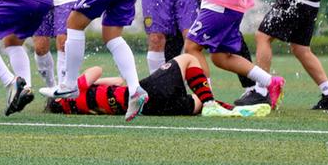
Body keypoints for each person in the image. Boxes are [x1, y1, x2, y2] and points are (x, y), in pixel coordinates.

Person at [45, 53, 239, 117]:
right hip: (147, 93)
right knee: (188, 58)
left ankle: (229, 109)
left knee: (199, 100)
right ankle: (213, 104)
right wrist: (75, 82)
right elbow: (98, 70)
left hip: (153, 110)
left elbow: (118, 81)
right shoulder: (77, 90)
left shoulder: (81, 108)